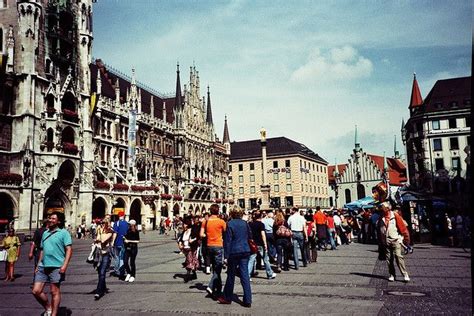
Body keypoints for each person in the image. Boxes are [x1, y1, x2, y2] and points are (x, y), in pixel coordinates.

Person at [32, 212, 73, 316]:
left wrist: (64, 265)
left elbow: (69, 250)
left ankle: (54, 314)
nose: (50, 220)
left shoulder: (64, 233)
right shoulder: (45, 233)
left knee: (54, 291)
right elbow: (42, 250)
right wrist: (38, 264)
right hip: (43, 265)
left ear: (58, 221)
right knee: (36, 291)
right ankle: (48, 307)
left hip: (57, 266)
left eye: (53, 219)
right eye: (49, 218)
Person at [218, 207, 252, 308]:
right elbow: (250, 236)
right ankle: (248, 300)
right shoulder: (245, 223)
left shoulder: (230, 224)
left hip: (234, 252)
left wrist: (226, 256)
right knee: (245, 275)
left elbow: (227, 241)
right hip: (245, 250)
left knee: (231, 275)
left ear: (232, 213)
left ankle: (227, 297)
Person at [377, 202, 411, 282]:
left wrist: (406, 241)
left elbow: (403, 228)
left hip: (396, 240)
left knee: (398, 257)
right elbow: (379, 230)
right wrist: (380, 241)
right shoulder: (381, 217)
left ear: (388, 208)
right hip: (386, 241)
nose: (381, 208)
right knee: (389, 259)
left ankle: (405, 274)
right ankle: (392, 274)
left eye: (383, 207)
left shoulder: (395, 215)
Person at [200, 204, 226, 298]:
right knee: (218, 268)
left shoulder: (205, 221)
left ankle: (217, 290)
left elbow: (201, 234)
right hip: (218, 246)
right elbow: (226, 233)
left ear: (210, 211)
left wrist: (208, 235)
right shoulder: (221, 222)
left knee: (215, 269)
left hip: (208, 246)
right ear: (218, 211)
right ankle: (211, 286)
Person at [248, 211, 276, 280]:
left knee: (251, 259)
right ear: (260, 216)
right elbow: (263, 235)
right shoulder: (261, 224)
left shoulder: (250, 224)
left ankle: (247, 275)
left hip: (253, 244)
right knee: (265, 259)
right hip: (260, 243)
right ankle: (269, 274)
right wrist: (265, 244)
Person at [94, 217, 116, 300]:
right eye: (101, 223)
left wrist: (99, 233)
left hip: (106, 254)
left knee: (102, 272)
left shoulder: (110, 231)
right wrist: (99, 233)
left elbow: (102, 240)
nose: (102, 225)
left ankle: (98, 292)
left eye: (104, 223)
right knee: (100, 272)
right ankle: (103, 287)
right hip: (98, 254)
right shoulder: (100, 230)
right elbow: (96, 239)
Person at [178, 218, 200, 282]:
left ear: (187, 224)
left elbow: (197, 236)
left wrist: (192, 240)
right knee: (190, 261)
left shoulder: (192, 230)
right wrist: (180, 243)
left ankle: (187, 276)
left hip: (192, 248)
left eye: (184, 224)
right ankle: (194, 274)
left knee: (189, 261)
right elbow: (181, 239)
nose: (183, 226)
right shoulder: (184, 231)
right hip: (185, 249)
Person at [29, 220, 50, 284]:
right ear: (47, 223)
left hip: (49, 251)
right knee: (38, 266)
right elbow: (33, 242)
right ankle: (36, 281)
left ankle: (45, 279)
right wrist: (31, 252)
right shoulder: (39, 231)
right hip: (39, 250)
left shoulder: (51, 231)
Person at [112, 211, 128, 278]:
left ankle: (116, 270)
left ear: (118, 216)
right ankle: (122, 271)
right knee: (122, 257)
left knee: (116, 257)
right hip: (124, 243)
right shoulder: (127, 223)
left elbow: (115, 233)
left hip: (117, 243)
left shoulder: (116, 223)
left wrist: (112, 241)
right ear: (124, 216)